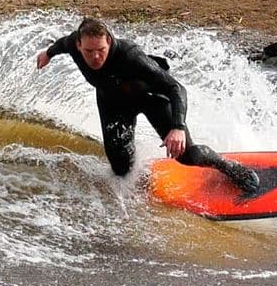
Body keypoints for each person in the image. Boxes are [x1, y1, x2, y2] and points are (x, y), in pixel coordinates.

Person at [36, 17, 260, 193]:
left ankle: (232, 169)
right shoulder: (73, 43)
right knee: (121, 168)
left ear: (109, 42)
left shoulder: (131, 56)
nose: (95, 57)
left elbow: (176, 88)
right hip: (112, 103)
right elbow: (59, 45)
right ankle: (140, 185)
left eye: (101, 51)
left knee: (188, 156)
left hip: (152, 99)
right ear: (79, 44)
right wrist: (47, 54)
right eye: (89, 52)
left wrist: (178, 127)